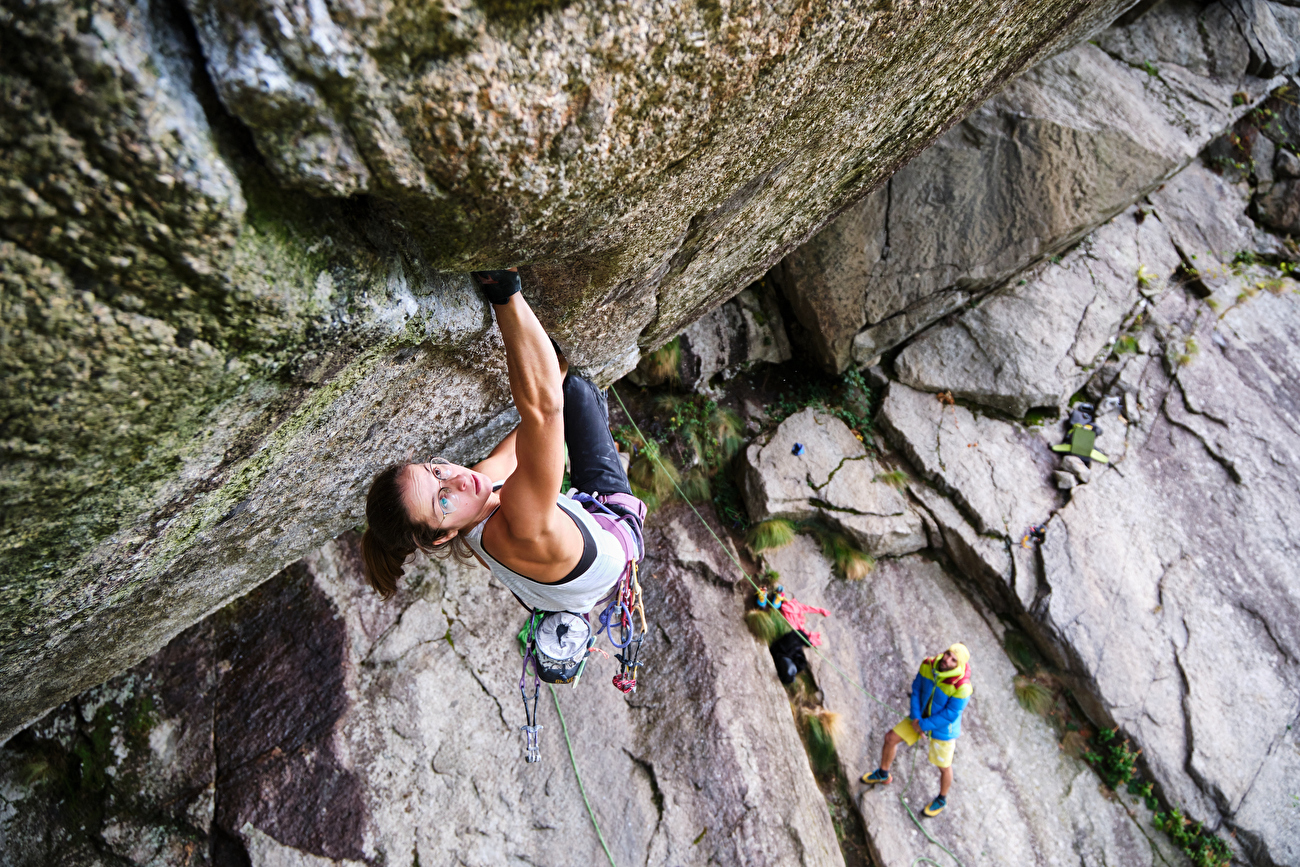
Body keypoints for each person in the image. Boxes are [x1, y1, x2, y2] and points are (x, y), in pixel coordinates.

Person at [359, 269, 642, 614]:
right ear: (442, 535)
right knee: (575, 391)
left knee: (555, 388)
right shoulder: (524, 522)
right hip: (615, 540)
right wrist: (504, 293)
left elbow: (518, 450)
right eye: (442, 501)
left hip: (569, 588)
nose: (458, 480)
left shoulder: (471, 511)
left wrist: (553, 376)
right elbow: (545, 410)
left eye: (436, 472)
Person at [860, 643, 972, 817]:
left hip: (942, 730)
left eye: (953, 660)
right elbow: (917, 689)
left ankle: (942, 799)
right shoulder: (928, 664)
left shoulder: (962, 687)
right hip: (919, 719)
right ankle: (883, 773)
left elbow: (950, 714)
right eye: (947, 654)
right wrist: (916, 718)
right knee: (890, 738)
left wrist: (923, 726)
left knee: (944, 766)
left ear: (959, 665)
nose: (947, 660)